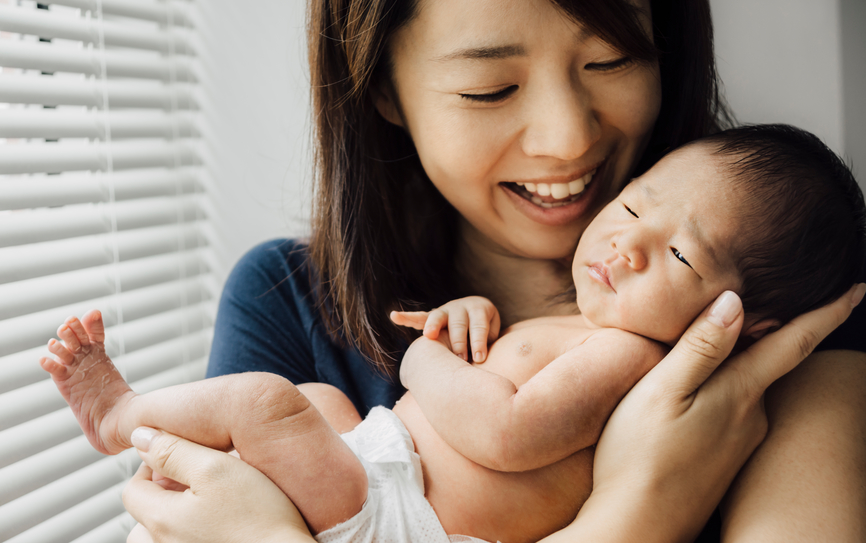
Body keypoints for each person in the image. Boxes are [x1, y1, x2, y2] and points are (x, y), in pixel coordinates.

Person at [119, 0, 866, 541]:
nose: (567, 137)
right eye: (490, 88)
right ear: (383, 88)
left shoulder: (785, 301)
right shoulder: (285, 298)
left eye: (610, 61)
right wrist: (637, 513)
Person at [43, 125, 865, 543]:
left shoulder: (633, 353)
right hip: (385, 466)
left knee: (265, 402)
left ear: (744, 319)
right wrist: (473, 326)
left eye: (680, 253)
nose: (627, 243)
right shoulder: (282, 292)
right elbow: (508, 384)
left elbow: (506, 430)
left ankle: (122, 413)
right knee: (318, 398)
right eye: (637, 203)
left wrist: (424, 354)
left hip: (404, 509)